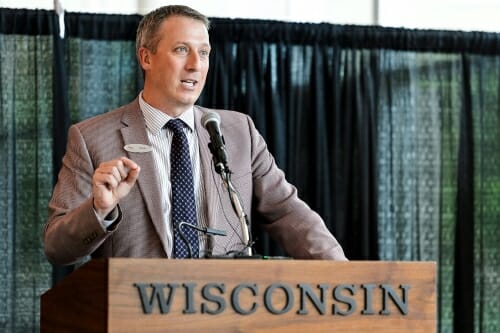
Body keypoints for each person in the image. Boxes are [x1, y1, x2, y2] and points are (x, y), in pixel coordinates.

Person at [44, 5, 347, 266]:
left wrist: (344, 273)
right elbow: (57, 248)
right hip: (139, 314)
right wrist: (100, 209)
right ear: (146, 58)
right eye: (181, 50)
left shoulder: (238, 131)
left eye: (203, 52)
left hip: (225, 311)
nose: (195, 64)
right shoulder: (92, 138)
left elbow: (287, 213)